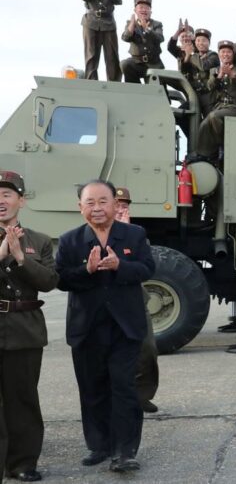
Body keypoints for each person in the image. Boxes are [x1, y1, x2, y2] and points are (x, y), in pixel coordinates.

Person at [55, 180, 155, 473]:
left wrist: (119, 267)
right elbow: (61, 279)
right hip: (86, 327)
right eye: (90, 202)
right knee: (92, 388)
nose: (97, 208)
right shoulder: (70, 240)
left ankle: (125, 451)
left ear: (114, 205)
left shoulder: (134, 235)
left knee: (124, 387)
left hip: (125, 327)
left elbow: (148, 268)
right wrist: (86, 270)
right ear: (80, 207)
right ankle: (99, 445)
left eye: (103, 201)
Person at [0, 171, 59, 482]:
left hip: (25, 328)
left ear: (21, 200)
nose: (1, 200)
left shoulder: (39, 240)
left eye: (8, 194)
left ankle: (23, 462)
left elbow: (50, 281)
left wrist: (22, 258)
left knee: (23, 397)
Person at [114, 188, 159, 414]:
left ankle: (142, 396)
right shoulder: (94, 233)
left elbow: (145, 268)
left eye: (125, 206)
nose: (122, 210)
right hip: (108, 302)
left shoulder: (137, 235)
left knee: (147, 349)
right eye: (118, 205)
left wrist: (127, 231)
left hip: (135, 299)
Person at [196, 41, 236, 160]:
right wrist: (219, 76)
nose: (226, 54)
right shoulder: (214, 70)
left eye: (228, 52)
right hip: (220, 106)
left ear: (233, 54)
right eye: (223, 52)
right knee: (204, 124)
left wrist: (233, 75)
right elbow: (210, 87)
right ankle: (202, 154)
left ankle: (222, 146)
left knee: (213, 117)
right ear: (219, 55)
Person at [79, 0, 122, 81]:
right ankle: (92, 83)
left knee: (112, 57)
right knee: (91, 55)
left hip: (108, 23)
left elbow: (118, 0)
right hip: (91, 22)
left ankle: (114, 84)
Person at [120, 0, 164, 83]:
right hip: (137, 63)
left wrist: (147, 29)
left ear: (150, 11)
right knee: (125, 64)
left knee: (158, 91)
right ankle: (136, 91)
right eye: (141, 7)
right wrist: (132, 24)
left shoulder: (156, 24)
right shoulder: (130, 24)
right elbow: (125, 38)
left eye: (147, 8)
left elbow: (160, 38)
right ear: (135, 10)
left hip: (154, 64)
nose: (144, 10)